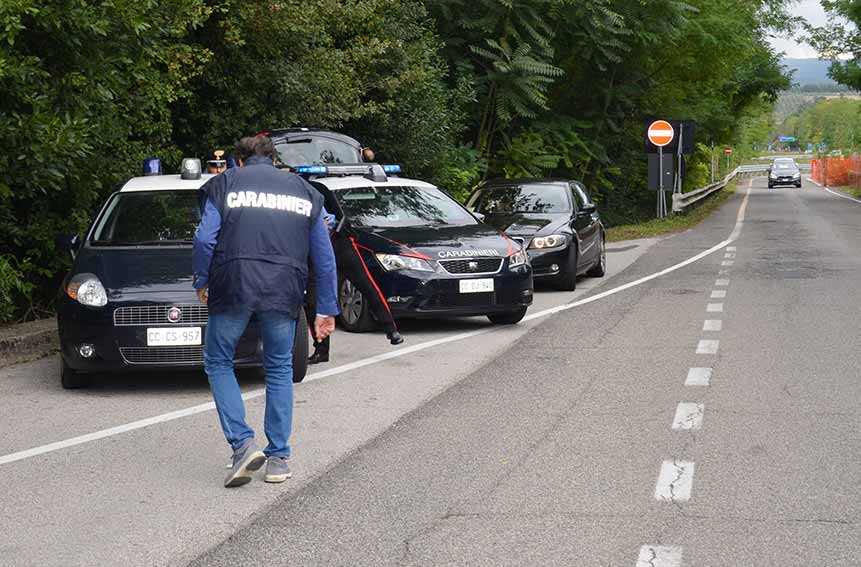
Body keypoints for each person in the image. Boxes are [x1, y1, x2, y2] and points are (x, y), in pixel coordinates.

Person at [193, 135, 338, 488]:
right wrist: (326, 309)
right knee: (278, 367)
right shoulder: (305, 192)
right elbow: (324, 256)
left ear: (238, 161)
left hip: (233, 285)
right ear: (274, 160)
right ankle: (279, 459)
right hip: (284, 290)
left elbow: (204, 239)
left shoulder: (224, 183)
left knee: (218, 361)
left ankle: (242, 444)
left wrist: (201, 279)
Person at [304, 184, 402, 365]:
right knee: (312, 301)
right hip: (315, 248)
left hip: (338, 241)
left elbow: (326, 221)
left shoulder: (311, 190)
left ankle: (391, 329)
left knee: (366, 284)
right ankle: (321, 349)